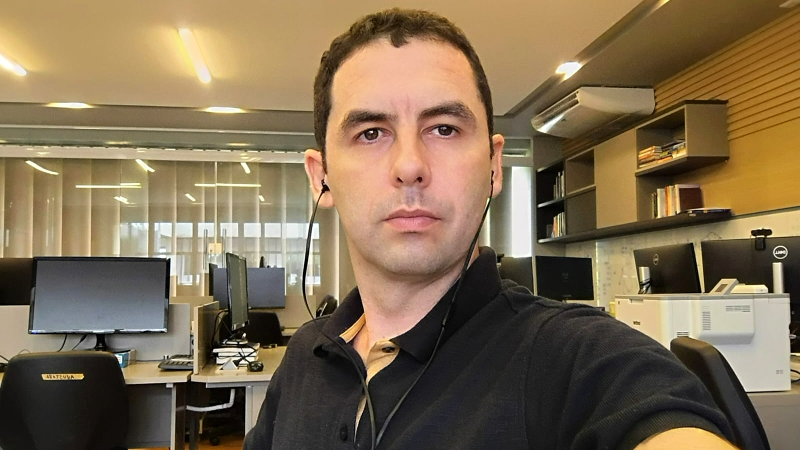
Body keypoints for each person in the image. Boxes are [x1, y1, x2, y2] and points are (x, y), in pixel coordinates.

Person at [244, 8, 735, 450]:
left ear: (494, 167)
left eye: (444, 128)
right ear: (321, 177)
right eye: (371, 133)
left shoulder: (579, 360)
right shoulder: (305, 355)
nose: (410, 165)